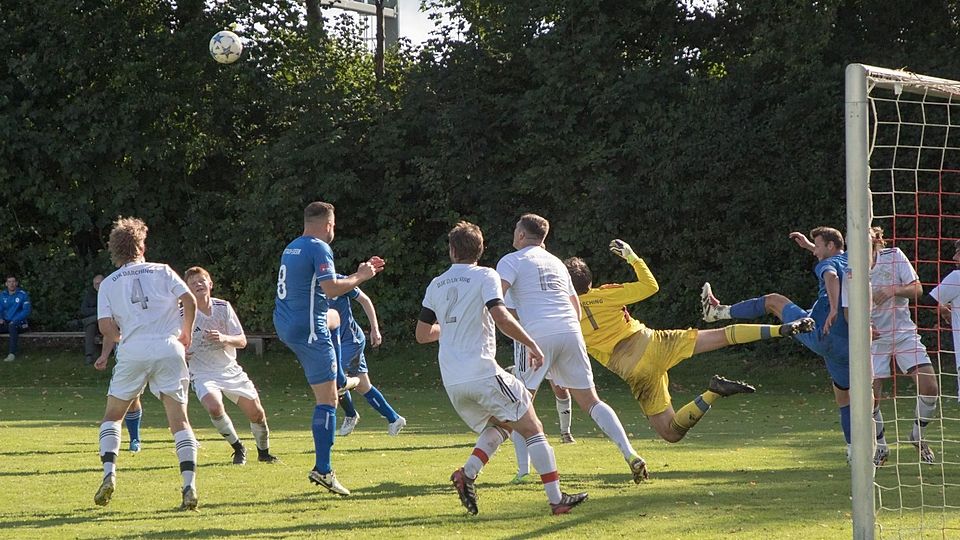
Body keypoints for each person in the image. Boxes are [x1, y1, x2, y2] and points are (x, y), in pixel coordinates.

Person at [564, 239, 814, 444]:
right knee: (723, 335)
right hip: (654, 342)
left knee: (671, 433)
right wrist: (631, 256)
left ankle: (712, 393)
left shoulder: (562, 311)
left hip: (635, 371)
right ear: (589, 281)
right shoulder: (607, 294)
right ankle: (779, 329)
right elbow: (650, 286)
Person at [416, 221, 588, 515]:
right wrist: (532, 344)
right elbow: (501, 317)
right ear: (480, 251)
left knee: (502, 425)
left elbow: (422, 335)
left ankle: (467, 474)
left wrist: (452, 328)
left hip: (453, 381)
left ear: (452, 250)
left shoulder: (436, 284)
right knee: (533, 428)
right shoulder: (486, 275)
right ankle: (556, 499)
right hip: (482, 372)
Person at [497, 214, 648, 484]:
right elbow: (575, 307)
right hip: (570, 331)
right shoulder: (557, 263)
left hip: (535, 336)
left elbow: (496, 300)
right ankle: (630, 453)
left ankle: (523, 471)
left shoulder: (511, 260)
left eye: (515, 230)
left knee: (519, 405)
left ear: (521, 235)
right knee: (592, 402)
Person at [702, 227, 854, 459]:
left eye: (819, 246)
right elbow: (832, 261)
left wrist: (833, 308)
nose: (816, 253)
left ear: (830, 246)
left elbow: (830, 276)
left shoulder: (827, 265)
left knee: (773, 301)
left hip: (822, 334)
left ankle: (717, 312)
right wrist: (809, 246)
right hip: (848, 345)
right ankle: (856, 450)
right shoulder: (849, 260)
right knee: (845, 397)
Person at [273, 201, 384, 497]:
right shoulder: (320, 248)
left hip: (286, 324)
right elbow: (332, 288)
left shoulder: (292, 246)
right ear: (328, 225)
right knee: (328, 401)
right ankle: (323, 470)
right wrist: (362, 275)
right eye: (334, 225)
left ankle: (339, 378)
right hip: (309, 329)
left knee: (334, 318)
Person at [92, 217, 200, 510]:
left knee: (112, 417)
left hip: (133, 349)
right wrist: (186, 332)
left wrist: (122, 337)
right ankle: (189, 485)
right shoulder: (163, 270)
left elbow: (104, 326)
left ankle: (109, 474)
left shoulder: (109, 283)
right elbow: (189, 300)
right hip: (169, 347)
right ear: (141, 245)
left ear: (116, 249)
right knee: (179, 421)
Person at [855, 227, 938, 465]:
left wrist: (893, 290)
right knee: (871, 397)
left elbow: (918, 289)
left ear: (875, 239)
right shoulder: (850, 265)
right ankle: (880, 446)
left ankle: (917, 436)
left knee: (930, 386)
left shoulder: (894, 256)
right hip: (871, 338)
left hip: (902, 333)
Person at [184, 266, 279, 465]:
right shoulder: (182, 313)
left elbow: (242, 340)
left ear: (210, 284)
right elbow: (172, 341)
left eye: (202, 281)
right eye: (193, 283)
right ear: (187, 289)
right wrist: (180, 352)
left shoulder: (223, 307)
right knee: (214, 406)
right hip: (202, 372)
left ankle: (264, 453)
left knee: (256, 413)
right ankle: (238, 447)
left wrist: (224, 338)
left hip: (229, 369)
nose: (198, 285)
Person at [331, 277, 406, 437]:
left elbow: (365, 300)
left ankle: (351, 415)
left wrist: (375, 329)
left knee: (335, 379)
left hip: (351, 341)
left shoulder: (340, 281)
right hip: (334, 344)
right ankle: (394, 418)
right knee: (363, 386)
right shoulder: (309, 288)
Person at [930, 239, 960, 402]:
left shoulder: (957, 277)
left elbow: (929, 301)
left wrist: (942, 309)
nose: (955, 258)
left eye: (959, 253)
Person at [0, 275, 31, 362]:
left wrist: (15, 320)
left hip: (21, 324)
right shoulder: (2, 295)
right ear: (6, 284)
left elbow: (26, 311)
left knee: (12, 326)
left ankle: (11, 354)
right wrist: (0, 318)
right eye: (9, 282)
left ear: (16, 283)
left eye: (13, 282)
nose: (11, 284)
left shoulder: (23, 295)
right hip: (7, 322)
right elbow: (0, 309)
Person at [80, 274, 105, 365]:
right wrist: (99, 311)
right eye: (95, 284)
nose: (97, 286)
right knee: (90, 326)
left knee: (93, 322)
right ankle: (89, 355)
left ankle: (83, 322)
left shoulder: (109, 292)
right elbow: (84, 310)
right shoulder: (89, 294)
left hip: (107, 321)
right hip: (95, 321)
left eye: (99, 284)